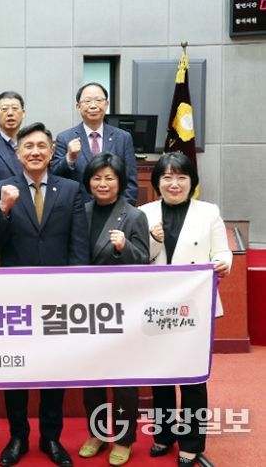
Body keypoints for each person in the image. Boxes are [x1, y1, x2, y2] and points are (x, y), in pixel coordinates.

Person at [0, 122, 89, 467]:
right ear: (18, 153)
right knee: (16, 369)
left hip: (58, 297)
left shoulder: (70, 189)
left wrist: (76, 289)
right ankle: (18, 436)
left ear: (51, 152)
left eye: (41, 146)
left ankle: (51, 437)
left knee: (54, 369)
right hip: (15, 297)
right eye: (28, 146)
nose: (34, 152)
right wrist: (3, 209)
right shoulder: (2, 188)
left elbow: (78, 245)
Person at [139, 152, 232, 467]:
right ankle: (164, 434)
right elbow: (139, 258)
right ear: (157, 183)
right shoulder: (144, 213)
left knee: (192, 378)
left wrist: (223, 263)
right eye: (167, 177)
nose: (174, 183)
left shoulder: (208, 212)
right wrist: (154, 240)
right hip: (157, 306)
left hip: (194, 306)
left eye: (181, 177)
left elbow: (222, 251)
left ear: (192, 181)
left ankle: (192, 442)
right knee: (161, 375)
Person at [77, 153, 149, 466]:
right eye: (97, 178)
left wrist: (124, 247)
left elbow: (144, 262)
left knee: (123, 379)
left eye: (109, 178)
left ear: (120, 182)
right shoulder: (81, 212)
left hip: (122, 310)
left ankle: (123, 438)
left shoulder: (134, 216)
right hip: (87, 308)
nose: (102, 184)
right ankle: (96, 434)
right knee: (91, 377)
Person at [51, 82, 138, 205]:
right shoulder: (65, 138)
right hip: (77, 209)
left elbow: (130, 182)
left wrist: (122, 212)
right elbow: (55, 177)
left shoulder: (123, 138)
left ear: (106, 104)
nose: (93, 106)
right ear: (78, 107)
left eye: (98, 100)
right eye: (87, 101)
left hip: (114, 209)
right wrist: (69, 158)